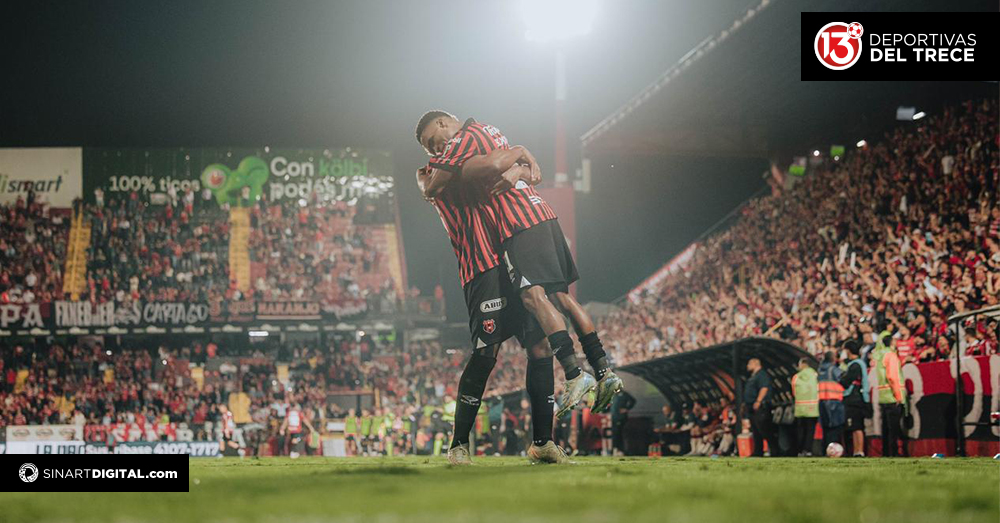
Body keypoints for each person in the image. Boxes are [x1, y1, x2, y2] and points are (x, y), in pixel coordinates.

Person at [416, 111, 624, 416]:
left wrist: (515, 158)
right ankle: (605, 371)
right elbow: (530, 173)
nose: (437, 150)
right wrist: (523, 157)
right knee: (561, 298)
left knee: (532, 296)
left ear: (444, 123)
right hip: (544, 215)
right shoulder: (492, 130)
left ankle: (575, 375)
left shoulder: (463, 139)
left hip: (520, 226)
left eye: (433, 142)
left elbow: (439, 184)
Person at [413, 161, 561, 464]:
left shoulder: (483, 162)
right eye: (430, 142)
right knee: (486, 351)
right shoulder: (433, 171)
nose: (435, 145)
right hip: (482, 270)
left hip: (516, 258)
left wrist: (519, 164)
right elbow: (428, 186)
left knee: (540, 347)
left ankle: (543, 443)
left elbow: (529, 171)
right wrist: (515, 156)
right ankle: (458, 445)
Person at [872, 327, 905, 457]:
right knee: (894, 430)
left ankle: (886, 454)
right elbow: (892, 377)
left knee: (885, 430)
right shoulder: (891, 356)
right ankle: (895, 454)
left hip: (883, 397)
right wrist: (898, 396)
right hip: (892, 397)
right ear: (891, 342)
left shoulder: (879, 357)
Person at [839, 339, 870, 457]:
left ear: (848, 350)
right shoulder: (856, 364)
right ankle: (856, 451)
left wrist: (842, 377)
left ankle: (859, 451)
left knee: (856, 427)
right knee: (855, 427)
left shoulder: (855, 365)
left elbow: (845, 381)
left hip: (854, 399)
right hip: (856, 398)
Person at [743, 357, 778, 457]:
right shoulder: (753, 376)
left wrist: (758, 401)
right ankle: (758, 451)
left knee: (765, 430)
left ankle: (775, 451)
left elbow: (764, 388)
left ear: (755, 364)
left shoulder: (762, 375)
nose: (747, 366)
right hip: (751, 407)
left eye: (749, 364)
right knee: (756, 431)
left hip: (760, 406)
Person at [817, 351, 846, 452]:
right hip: (834, 402)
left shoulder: (819, 370)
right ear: (833, 358)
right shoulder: (833, 369)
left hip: (822, 402)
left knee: (825, 429)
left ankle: (825, 450)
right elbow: (844, 379)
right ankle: (835, 450)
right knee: (835, 429)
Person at [790, 358, 819, 456]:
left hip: (800, 408)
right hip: (813, 408)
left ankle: (800, 450)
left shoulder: (796, 377)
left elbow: (793, 392)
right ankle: (808, 450)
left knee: (800, 430)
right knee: (810, 431)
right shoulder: (815, 375)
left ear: (802, 364)